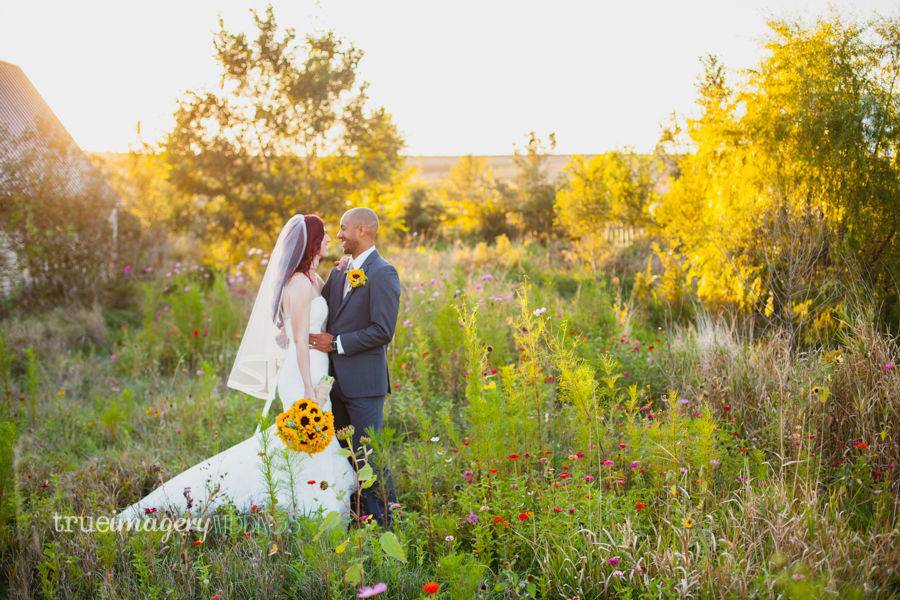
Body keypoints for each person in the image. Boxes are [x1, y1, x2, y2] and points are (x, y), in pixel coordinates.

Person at [116, 214, 356, 522]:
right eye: (323, 236)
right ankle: (305, 506)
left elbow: (311, 317)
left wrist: (341, 271)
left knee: (312, 440)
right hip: (301, 373)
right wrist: (309, 388)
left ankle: (314, 503)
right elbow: (298, 342)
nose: (328, 240)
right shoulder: (296, 284)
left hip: (317, 368)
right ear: (311, 242)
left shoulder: (312, 279)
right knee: (301, 435)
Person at [308, 207, 401, 526]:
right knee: (345, 457)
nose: (339, 234)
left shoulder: (383, 272)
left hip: (364, 384)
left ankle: (387, 522)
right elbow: (323, 311)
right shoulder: (340, 270)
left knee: (368, 457)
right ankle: (358, 518)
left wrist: (335, 344)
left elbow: (382, 330)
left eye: (344, 228)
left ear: (362, 230)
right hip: (334, 383)